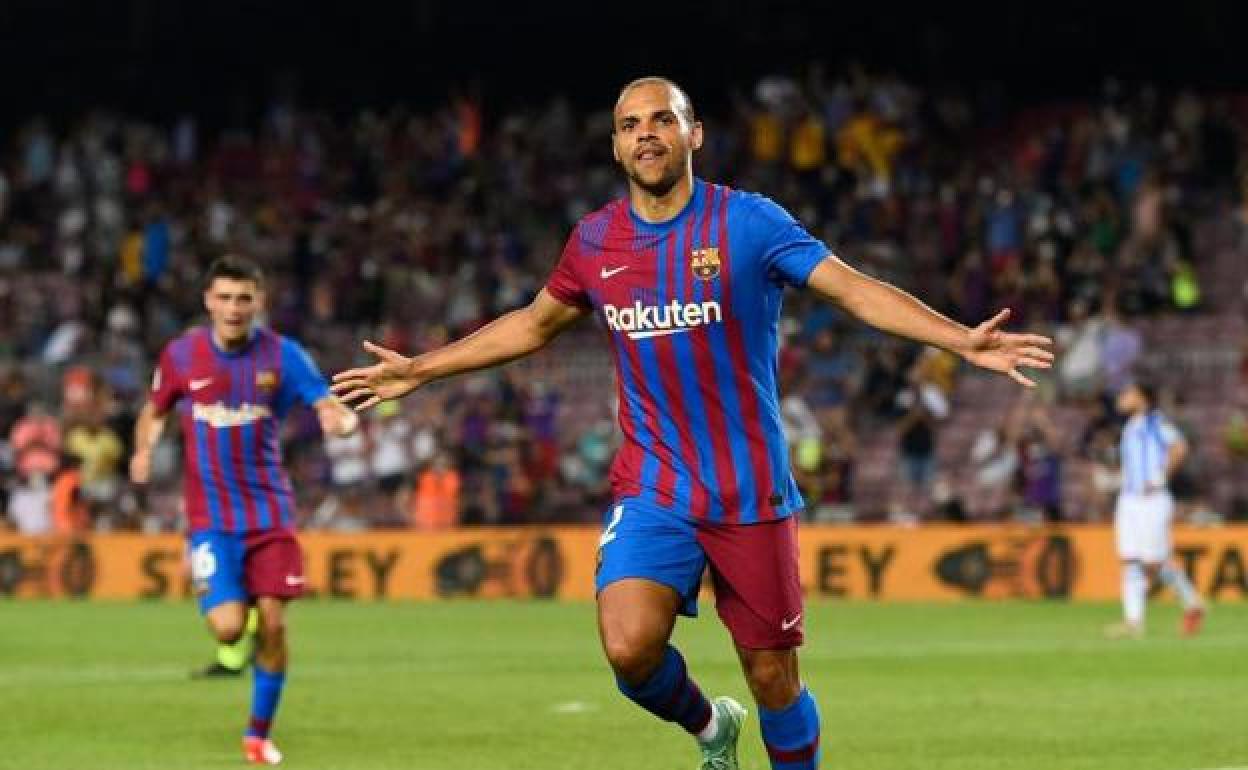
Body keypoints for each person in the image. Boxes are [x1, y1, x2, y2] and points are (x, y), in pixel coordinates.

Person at [331, 77, 1054, 770]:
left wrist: (959, 338)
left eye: (662, 119)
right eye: (630, 125)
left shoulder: (748, 222)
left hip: (749, 490)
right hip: (655, 486)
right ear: (615, 148)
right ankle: (713, 727)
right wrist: (420, 369)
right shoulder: (594, 242)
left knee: (774, 677)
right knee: (627, 648)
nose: (646, 134)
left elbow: (853, 290)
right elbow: (533, 323)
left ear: (693, 134)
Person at [129, 255, 359, 765]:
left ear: (259, 302)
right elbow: (154, 409)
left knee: (273, 624)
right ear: (209, 301)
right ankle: (238, 602)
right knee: (230, 629)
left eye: (244, 298)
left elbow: (322, 400)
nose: (234, 308)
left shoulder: (283, 356)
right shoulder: (182, 355)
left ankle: (257, 735)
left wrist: (336, 417)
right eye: (225, 298)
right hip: (210, 521)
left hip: (270, 515)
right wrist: (144, 448)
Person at [1105, 381, 1205, 639]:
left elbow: (1179, 447)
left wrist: (1161, 476)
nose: (1122, 396)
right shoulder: (1129, 426)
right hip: (1129, 500)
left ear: (1142, 397)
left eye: (1127, 392)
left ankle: (1192, 602)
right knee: (1130, 559)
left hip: (1152, 500)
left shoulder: (1154, 422)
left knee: (1154, 561)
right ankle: (1133, 621)